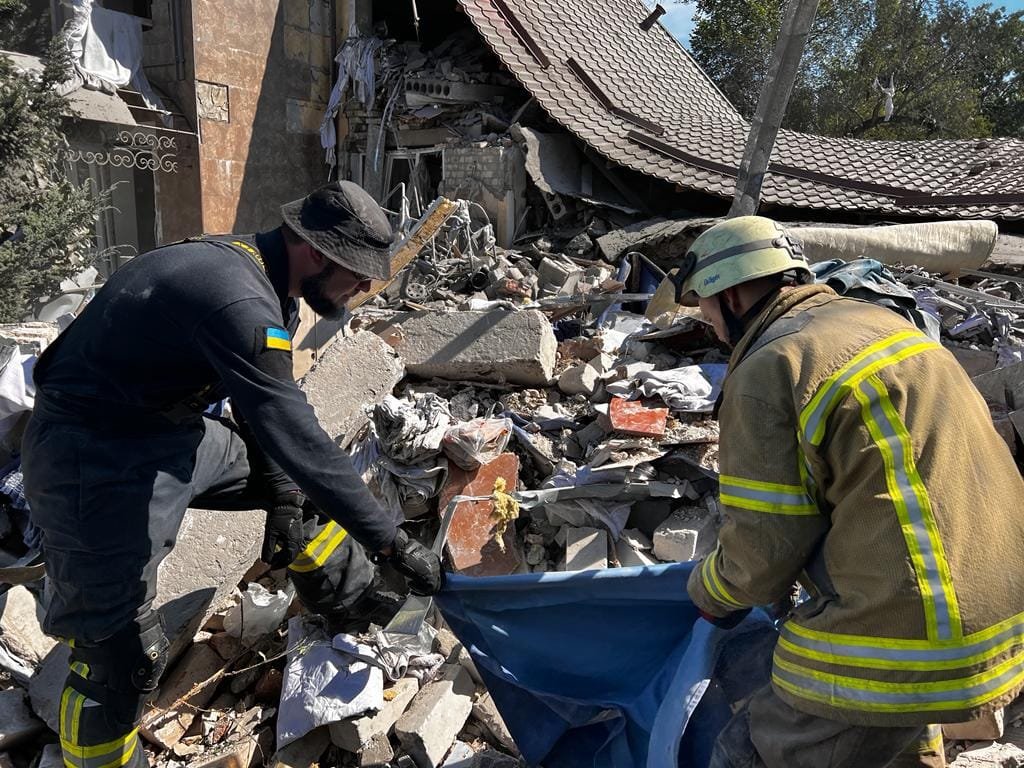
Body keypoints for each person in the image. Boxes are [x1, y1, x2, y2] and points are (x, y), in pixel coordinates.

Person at [22, 181, 442, 768]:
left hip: (170, 432)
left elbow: (261, 406)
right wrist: (391, 542)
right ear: (316, 252)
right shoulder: (236, 298)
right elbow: (290, 426)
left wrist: (286, 500)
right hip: (90, 458)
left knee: (301, 492)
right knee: (118, 658)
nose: (365, 288)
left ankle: (352, 600)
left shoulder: (268, 283)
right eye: (358, 271)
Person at [667, 216, 1024, 768]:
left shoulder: (771, 365)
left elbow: (762, 552)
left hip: (904, 631)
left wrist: (706, 595)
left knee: (751, 752)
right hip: (997, 614)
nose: (711, 328)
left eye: (706, 310)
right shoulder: (882, 324)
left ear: (732, 294)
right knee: (899, 743)